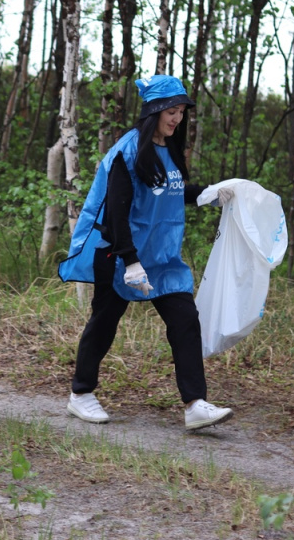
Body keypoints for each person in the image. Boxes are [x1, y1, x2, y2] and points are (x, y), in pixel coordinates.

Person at [57, 74, 235, 430]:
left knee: (185, 319)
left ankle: (195, 403)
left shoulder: (169, 151)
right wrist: (130, 261)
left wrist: (211, 193)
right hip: (119, 255)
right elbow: (116, 212)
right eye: (172, 111)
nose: (177, 119)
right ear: (155, 111)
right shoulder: (127, 151)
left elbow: (171, 190)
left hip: (162, 258)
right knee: (104, 323)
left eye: (182, 112)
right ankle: (80, 394)